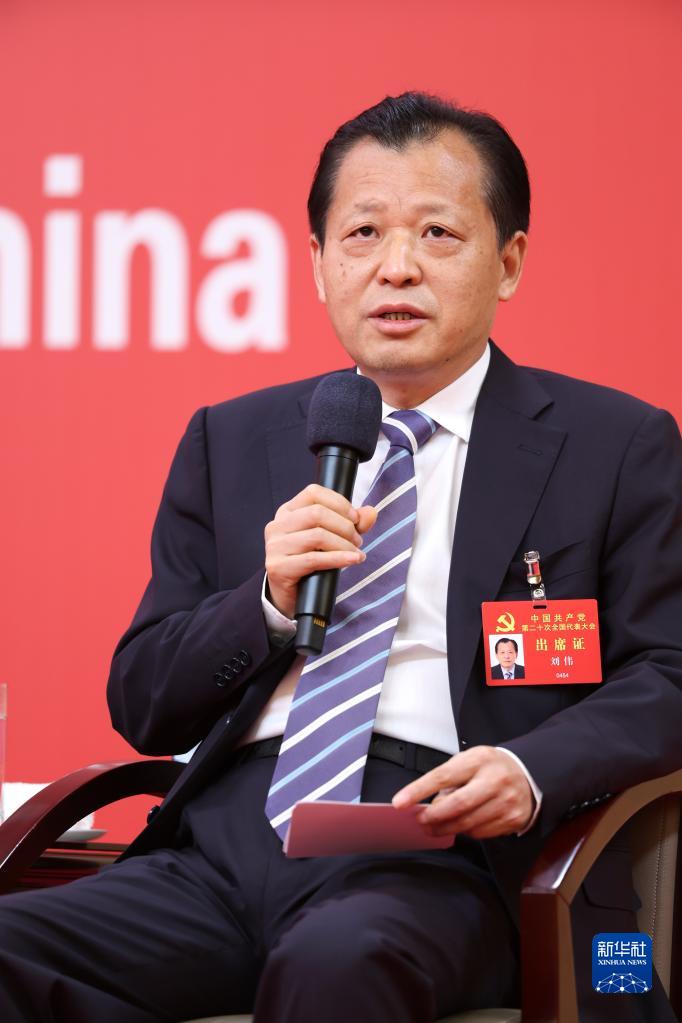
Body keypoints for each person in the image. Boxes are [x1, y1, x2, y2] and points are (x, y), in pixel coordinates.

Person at [0, 92, 680, 1023]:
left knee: (338, 963)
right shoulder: (231, 439)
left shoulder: (614, 444)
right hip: (222, 847)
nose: (396, 266)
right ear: (320, 265)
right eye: (363, 233)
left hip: (445, 852)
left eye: (438, 232)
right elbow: (143, 701)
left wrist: (529, 771)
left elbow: (669, 671)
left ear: (509, 261)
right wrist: (265, 602)